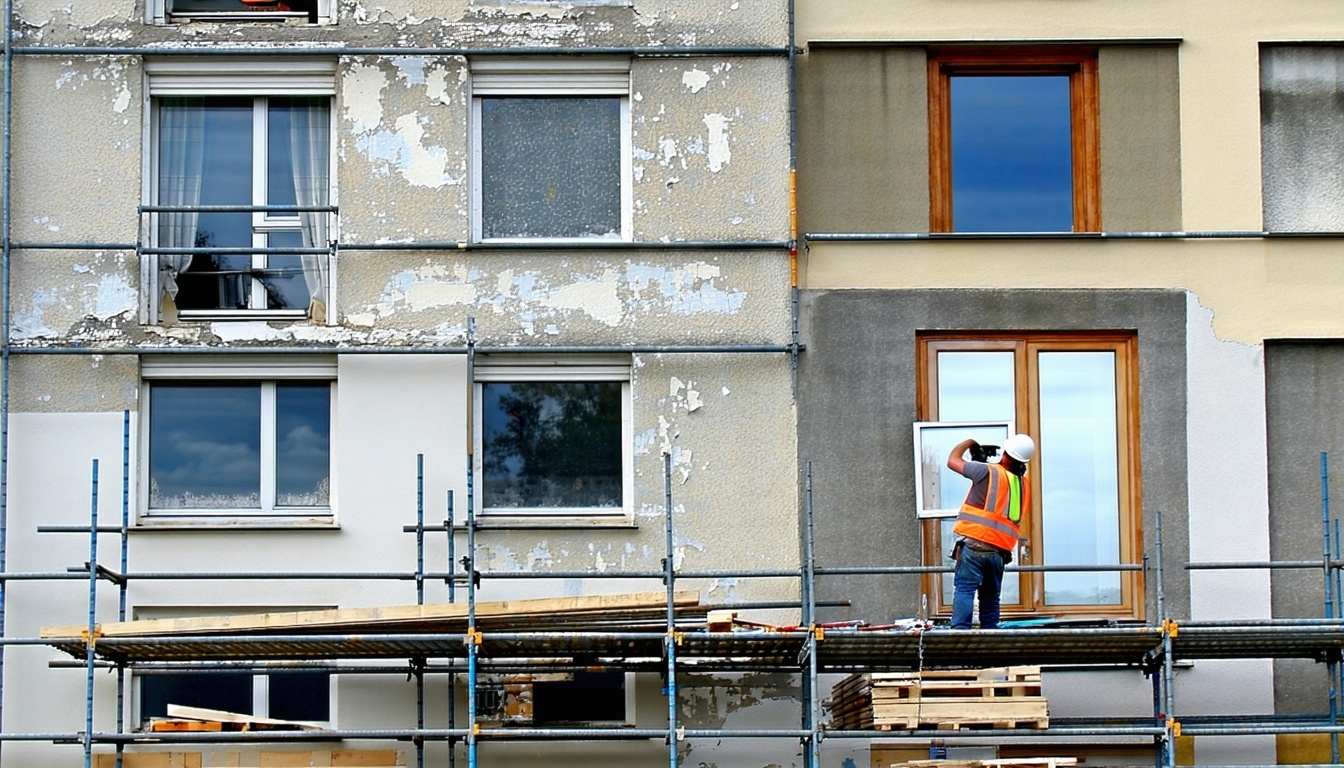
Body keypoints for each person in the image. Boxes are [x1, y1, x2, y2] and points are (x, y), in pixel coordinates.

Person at [946, 433, 1035, 630]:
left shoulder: (987, 471)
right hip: (999, 552)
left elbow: (952, 461)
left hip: (975, 545)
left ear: (1005, 454)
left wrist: (969, 442)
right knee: (990, 597)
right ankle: (990, 635)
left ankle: (960, 633)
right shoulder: (1023, 485)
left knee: (965, 589)